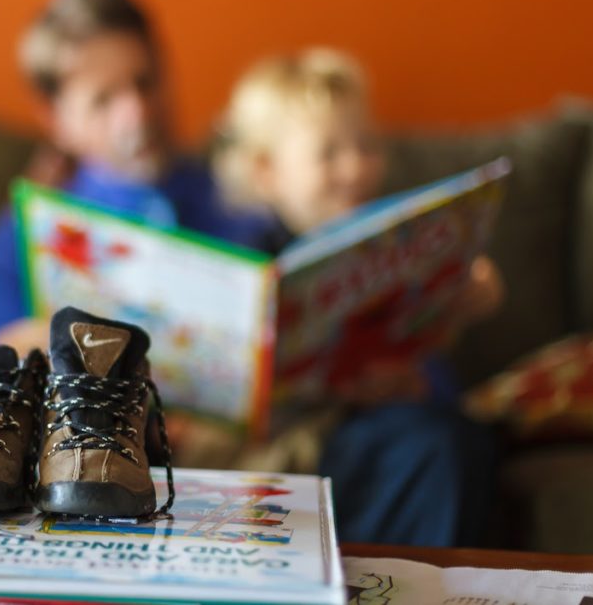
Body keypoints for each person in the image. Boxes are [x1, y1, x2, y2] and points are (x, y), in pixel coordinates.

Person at [214, 48, 503, 546]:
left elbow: (433, 358)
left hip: (403, 413)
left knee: (461, 438)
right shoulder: (247, 256)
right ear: (267, 171)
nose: (356, 168)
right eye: (328, 153)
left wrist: (474, 290)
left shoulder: (394, 239)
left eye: (366, 146)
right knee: (432, 446)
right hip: (309, 440)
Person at [0, 0, 268, 358]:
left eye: (145, 82)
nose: (138, 113)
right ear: (58, 121)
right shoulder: (19, 239)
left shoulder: (243, 196)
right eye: (103, 100)